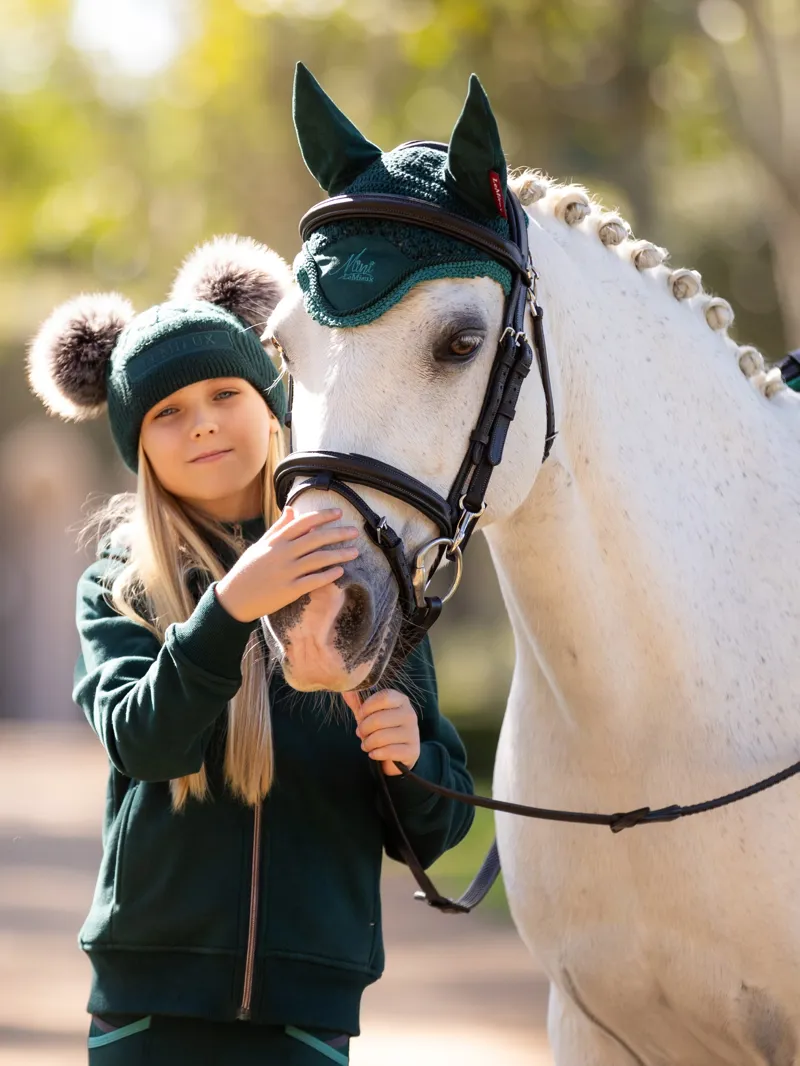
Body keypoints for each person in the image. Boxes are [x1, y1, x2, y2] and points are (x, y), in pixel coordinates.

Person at [27, 234, 475, 1065]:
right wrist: (232, 607)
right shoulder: (118, 586)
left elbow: (435, 830)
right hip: (146, 1011)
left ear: (272, 404)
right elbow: (144, 742)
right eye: (166, 412)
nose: (201, 422)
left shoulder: (361, 572)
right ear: (139, 447)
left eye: (224, 393)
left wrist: (410, 759)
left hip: (308, 1011)